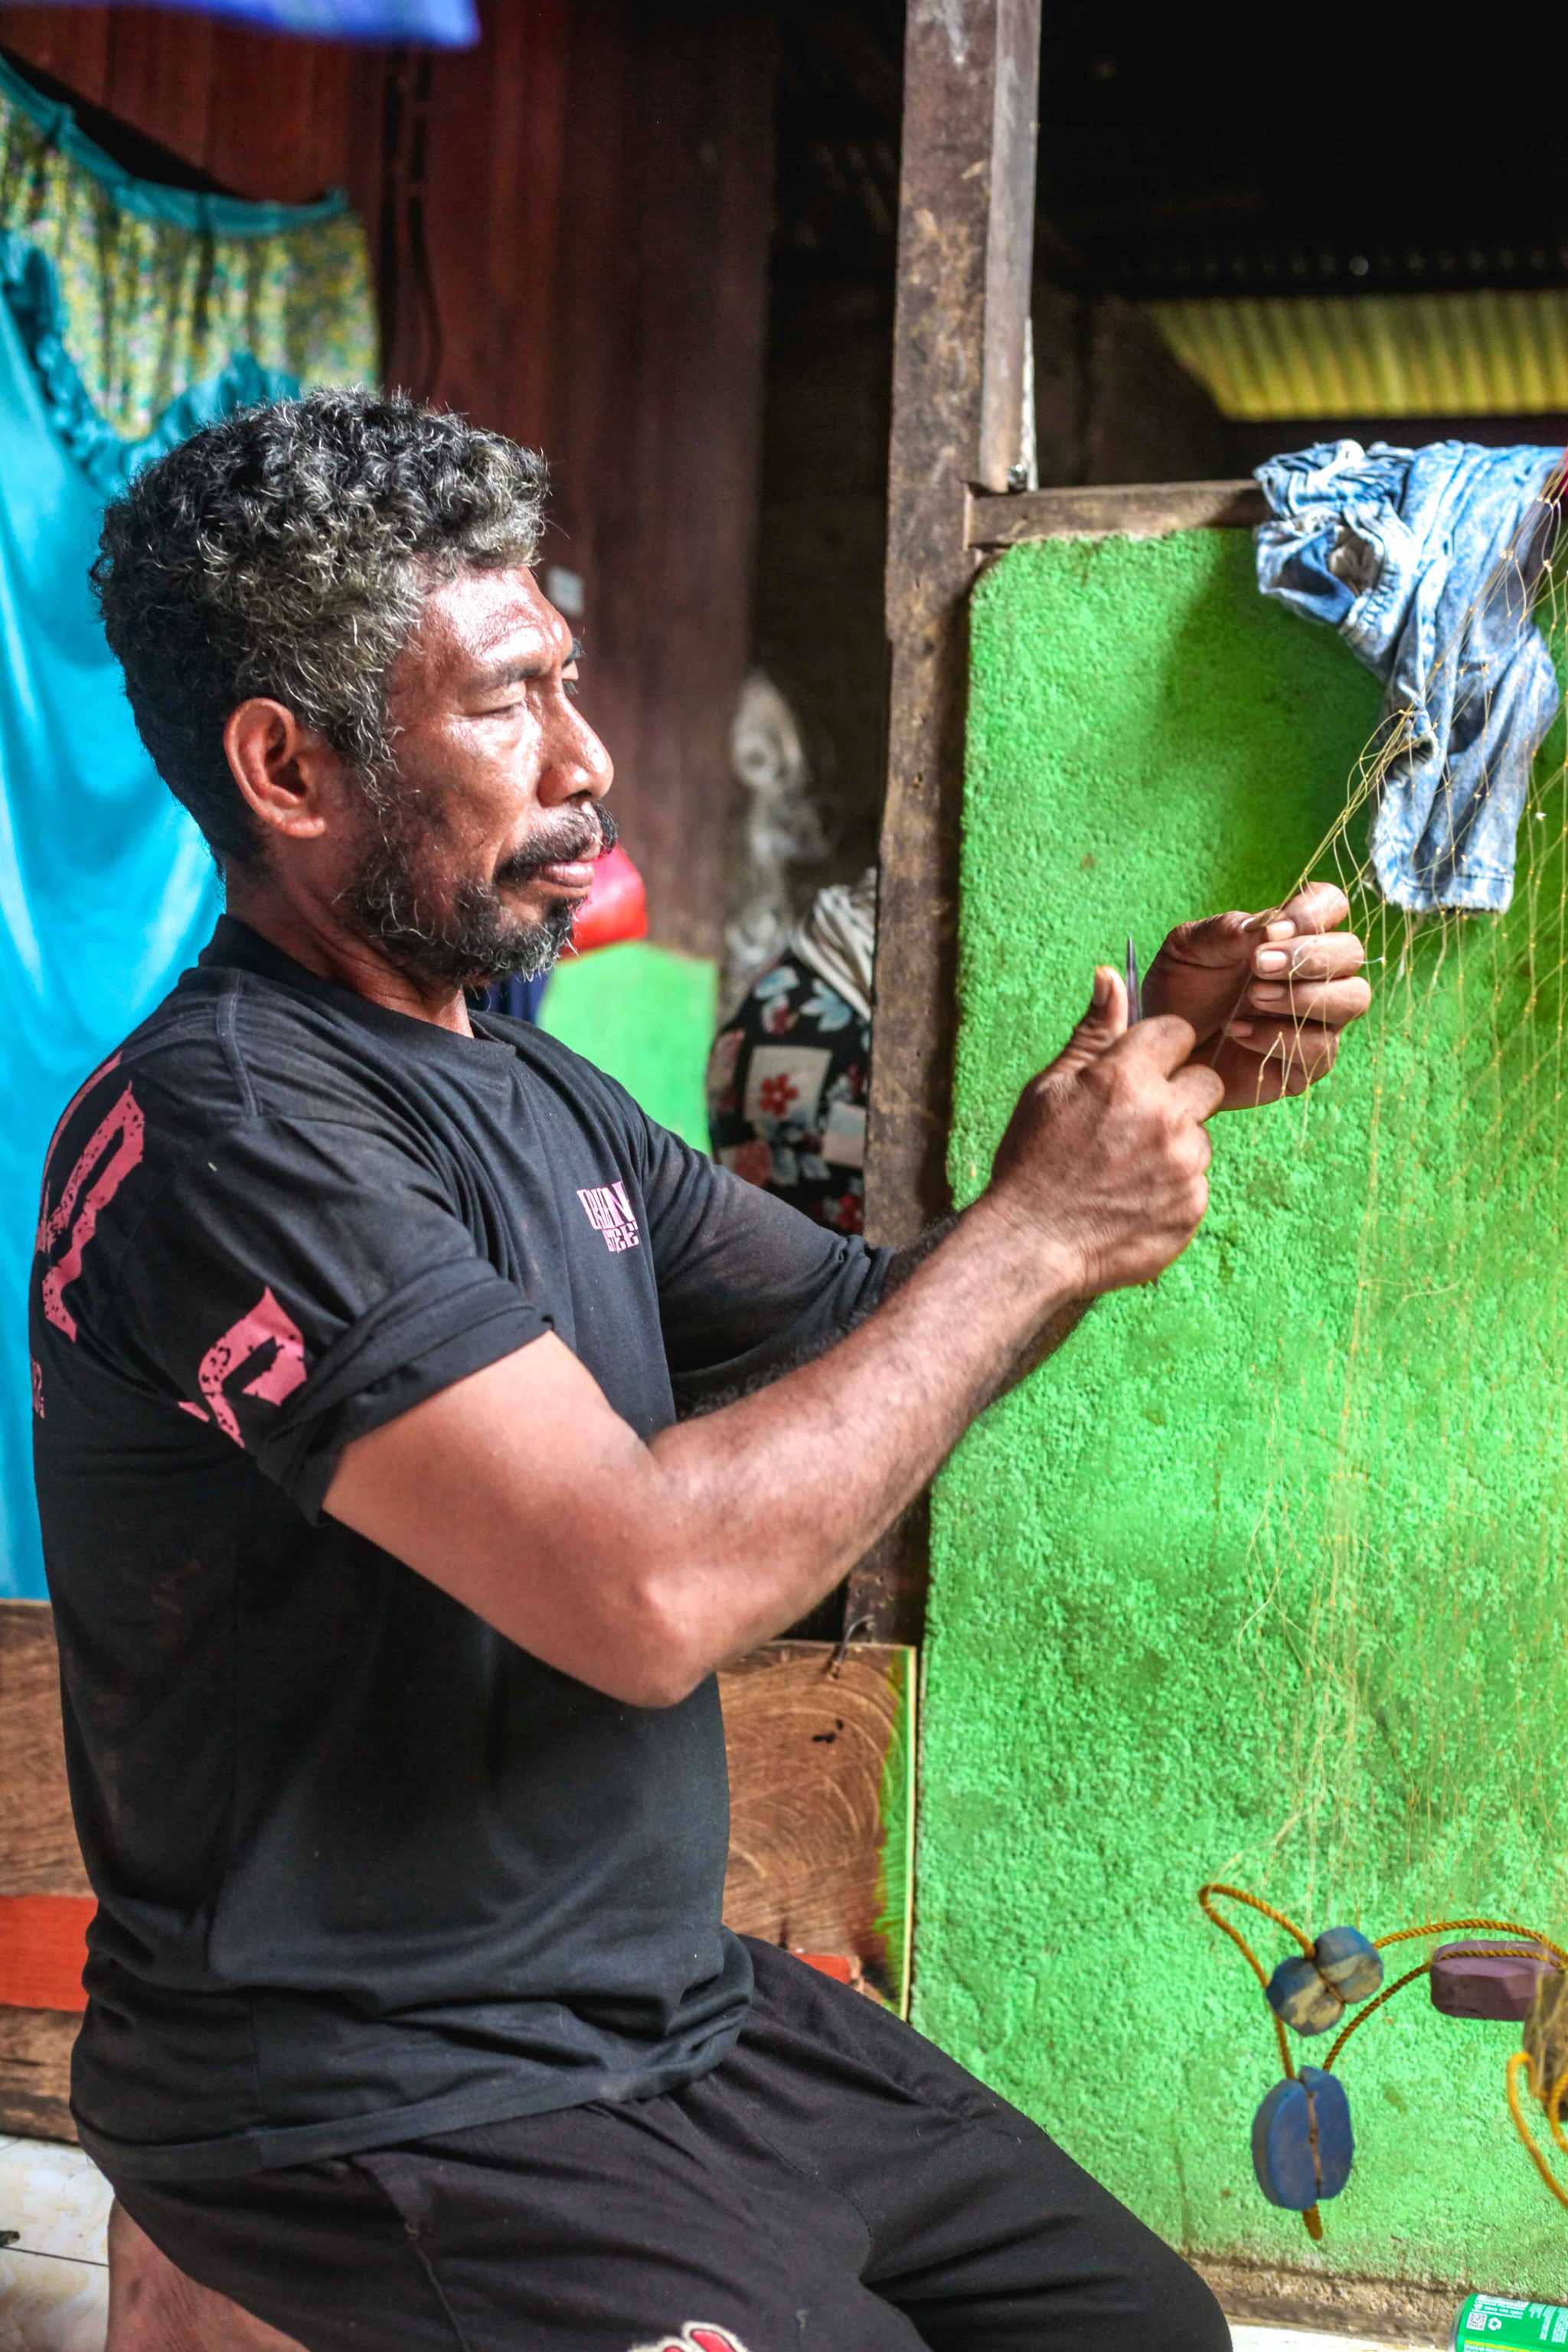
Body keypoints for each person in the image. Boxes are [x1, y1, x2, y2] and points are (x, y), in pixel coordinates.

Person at [31, 390, 1370, 2352]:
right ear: (287, 767)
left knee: (1136, 2330)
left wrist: (1121, 1104)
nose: (585, 761)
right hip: (370, 2091)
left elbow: (869, 1340)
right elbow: (644, 1596)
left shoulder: (526, 1085)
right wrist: (1037, 1233)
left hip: (670, 2014)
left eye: (567, 683)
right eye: (507, 704)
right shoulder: (236, 1134)